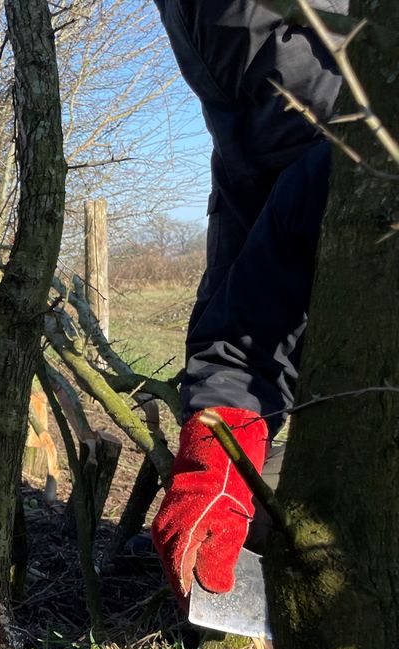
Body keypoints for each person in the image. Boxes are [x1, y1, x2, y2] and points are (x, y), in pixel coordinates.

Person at [149, 0, 344, 601]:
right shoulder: (253, 152)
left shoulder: (349, 148)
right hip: (261, 133)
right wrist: (219, 447)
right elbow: (237, 331)